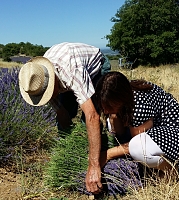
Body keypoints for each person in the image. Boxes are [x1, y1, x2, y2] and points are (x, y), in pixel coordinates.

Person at [18, 42, 111, 194]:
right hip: (64, 74)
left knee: (87, 120)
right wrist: (62, 116)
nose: (46, 97)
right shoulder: (37, 77)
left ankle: (96, 161)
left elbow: (92, 116)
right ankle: (74, 157)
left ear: (53, 81)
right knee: (63, 119)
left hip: (96, 68)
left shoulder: (72, 72)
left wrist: (93, 165)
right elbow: (59, 109)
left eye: (47, 93)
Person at [95, 71, 179, 176]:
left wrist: (107, 155)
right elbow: (120, 134)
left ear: (120, 98)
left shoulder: (139, 105)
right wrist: (114, 115)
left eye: (108, 106)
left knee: (137, 147)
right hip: (167, 135)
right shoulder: (127, 94)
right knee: (111, 123)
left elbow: (134, 144)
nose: (105, 111)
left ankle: (172, 172)